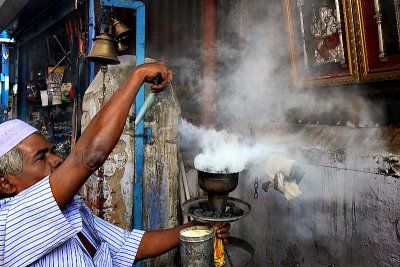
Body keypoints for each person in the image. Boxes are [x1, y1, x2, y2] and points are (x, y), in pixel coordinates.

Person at [0, 61, 230, 267]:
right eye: (41, 157)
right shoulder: (7, 224)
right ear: (6, 184)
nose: (57, 159)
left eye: (51, 151)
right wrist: (137, 75)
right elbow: (87, 156)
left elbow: (128, 246)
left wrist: (196, 228)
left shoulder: (72, 209)